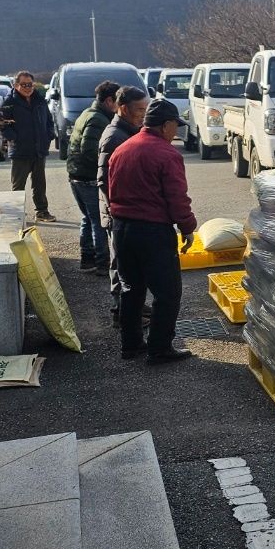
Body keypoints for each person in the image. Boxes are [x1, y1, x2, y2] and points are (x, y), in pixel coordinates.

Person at [107, 98, 196, 364]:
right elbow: (177, 198)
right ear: (165, 124)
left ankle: (131, 344)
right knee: (167, 292)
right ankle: (159, 348)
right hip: (153, 231)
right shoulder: (166, 154)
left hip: (121, 228)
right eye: (174, 126)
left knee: (131, 289)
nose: (176, 131)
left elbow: (111, 190)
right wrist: (187, 227)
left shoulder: (121, 149)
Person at [98, 85, 150, 326]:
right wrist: (116, 209)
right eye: (139, 109)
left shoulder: (128, 131)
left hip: (124, 212)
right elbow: (103, 180)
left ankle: (134, 308)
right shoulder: (114, 137)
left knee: (131, 264)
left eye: (146, 109)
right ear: (122, 108)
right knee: (120, 264)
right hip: (117, 214)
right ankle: (121, 312)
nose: (143, 114)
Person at [67, 80, 118, 272]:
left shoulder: (88, 113)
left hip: (76, 175)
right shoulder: (98, 119)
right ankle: (102, 263)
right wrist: (104, 168)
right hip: (87, 177)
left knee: (87, 219)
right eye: (117, 101)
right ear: (108, 101)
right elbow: (89, 150)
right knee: (97, 220)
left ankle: (87, 259)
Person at [0, 70, 57, 222]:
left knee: (39, 184)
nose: (27, 88)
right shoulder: (9, 103)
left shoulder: (39, 100)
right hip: (20, 151)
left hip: (39, 150)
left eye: (30, 84)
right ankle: (16, 215)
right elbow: (2, 125)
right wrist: (14, 138)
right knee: (18, 186)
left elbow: (49, 121)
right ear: (16, 85)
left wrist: (49, 135)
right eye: (24, 85)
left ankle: (42, 212)